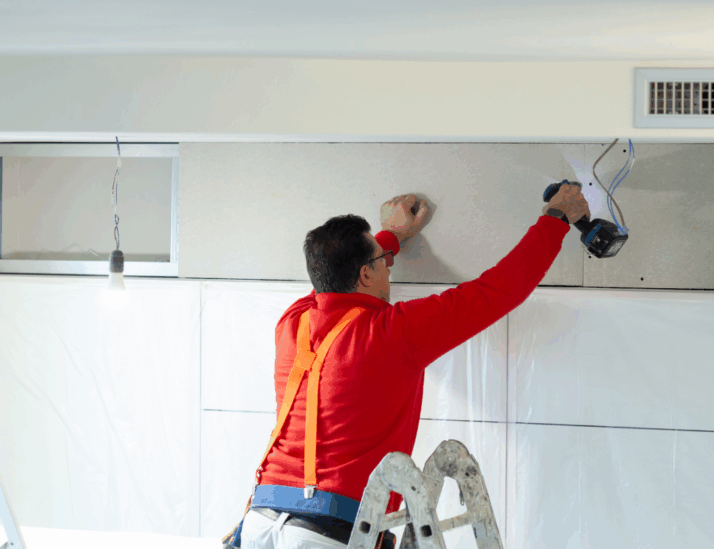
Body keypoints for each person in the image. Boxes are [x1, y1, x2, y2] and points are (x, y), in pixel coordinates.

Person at [233, 185, 591, 549]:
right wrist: (555, 218)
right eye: (381, 260)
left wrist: (392, 235)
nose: (388, 265)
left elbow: (331, 284)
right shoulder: (392, 333)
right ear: (365, 275)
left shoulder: (293, 324)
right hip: (327, 536)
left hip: (260, 522)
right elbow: (497, 290)